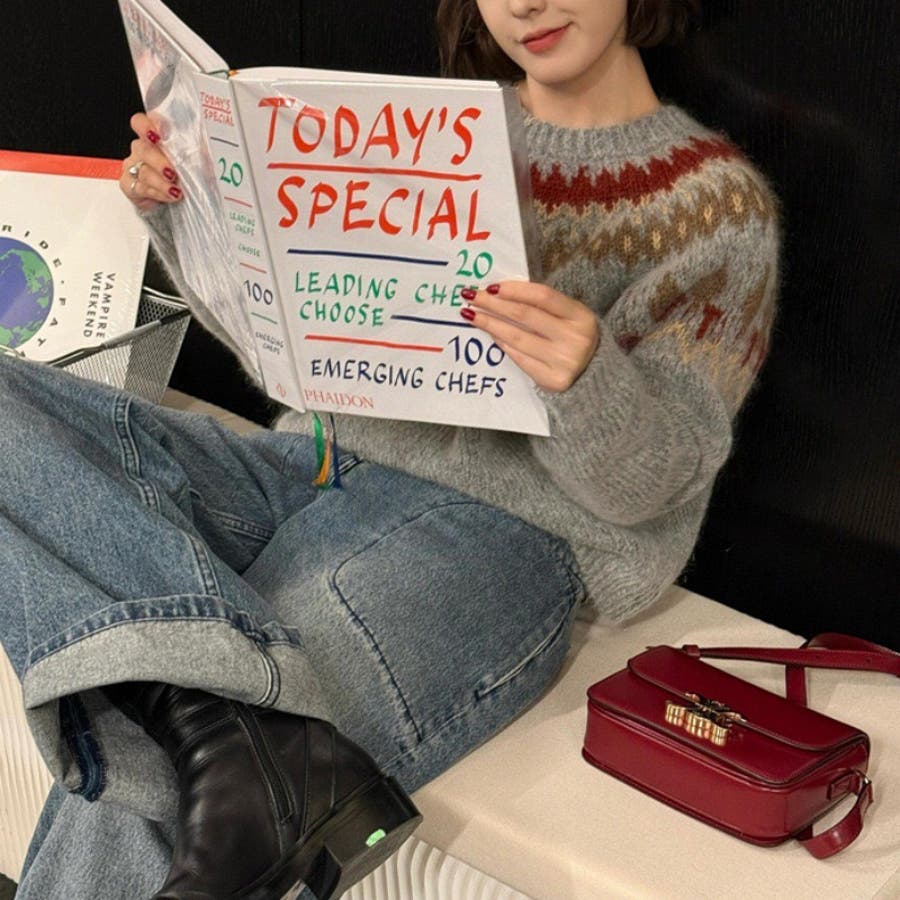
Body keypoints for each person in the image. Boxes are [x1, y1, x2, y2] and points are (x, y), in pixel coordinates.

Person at [2, 0, 778, 897]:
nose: (524, 3)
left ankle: (191, 696)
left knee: (184, 766)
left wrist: (586, 377)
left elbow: (648, 490)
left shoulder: (715, 209)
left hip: (501, 533)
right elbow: (286, 351)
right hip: (308, 467)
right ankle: (191, 694)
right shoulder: (414, 140)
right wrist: (190, 213)